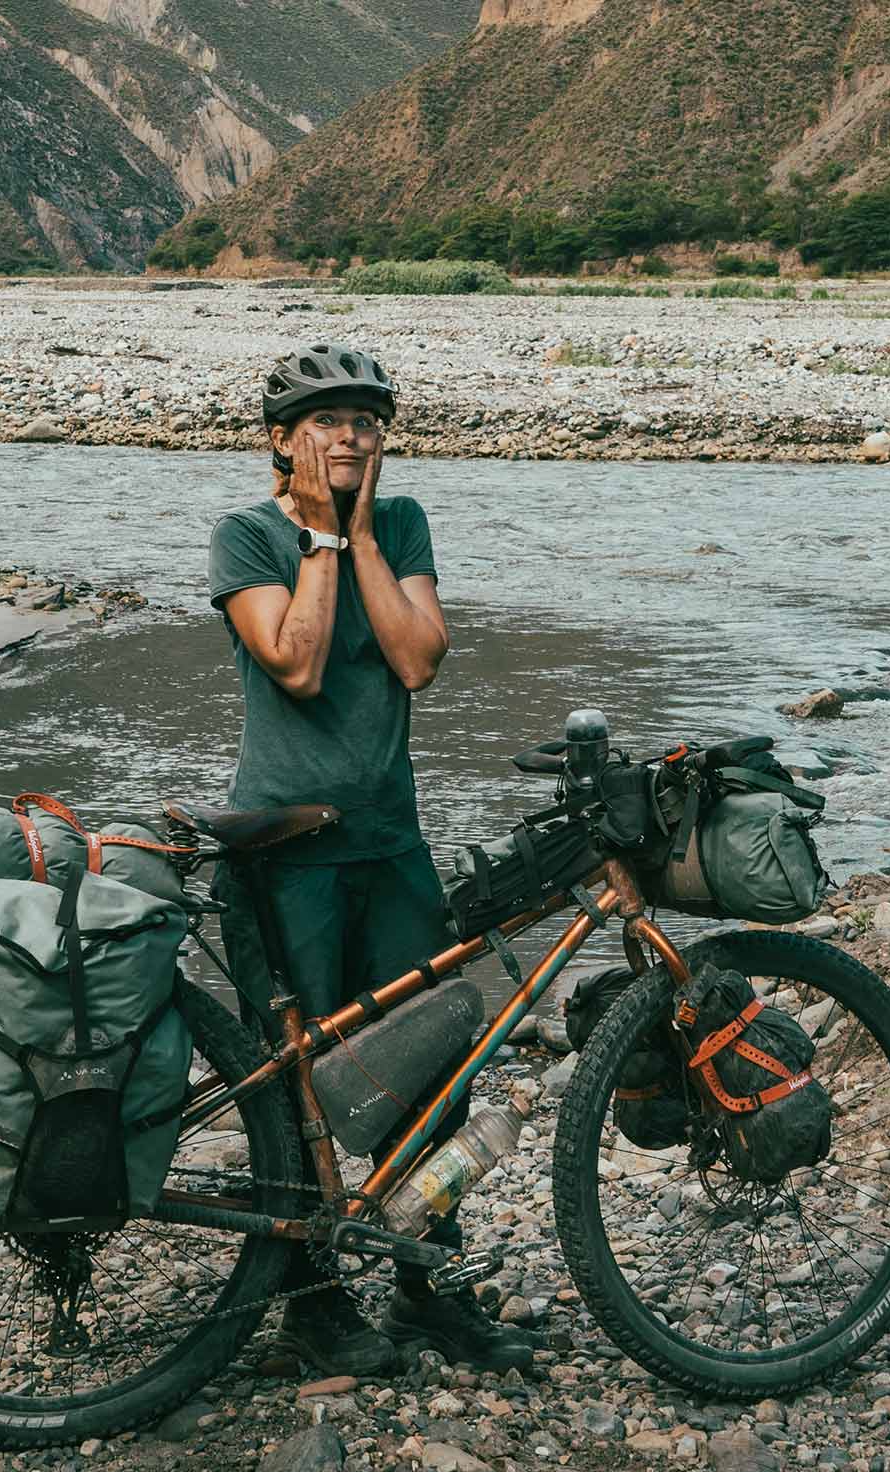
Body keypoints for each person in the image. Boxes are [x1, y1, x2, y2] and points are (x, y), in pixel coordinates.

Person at [205, 342, 539, 1377]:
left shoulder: (399, 524)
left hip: (390, 845)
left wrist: (355, 532)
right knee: (300, 1086)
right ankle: (311, 1309)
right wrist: (314, 537)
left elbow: (417, 657)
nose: (350, 435)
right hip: (289, 854)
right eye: (326, 420)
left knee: (432, 1070)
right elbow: (297, 663)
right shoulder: (244, 537)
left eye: (365, 421)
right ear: (280, 440)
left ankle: (426, 1291)